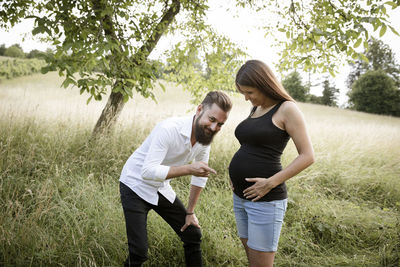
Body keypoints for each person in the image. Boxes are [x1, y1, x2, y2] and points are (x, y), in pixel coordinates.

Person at [119, 91, 232, 267]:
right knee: (139, 253)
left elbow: (200, 176)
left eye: (220, 124)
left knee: (193, 234)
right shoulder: (168, 129)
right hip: (134, 185)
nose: (213, 128)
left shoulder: (204, 140)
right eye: (211, 119)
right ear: (199, 109)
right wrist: (188, 169)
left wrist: (190, 212)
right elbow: (147, 171)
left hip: (159, 187)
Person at [228, 60, 315, 267]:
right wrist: (233, 175)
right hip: (241, 196)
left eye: (249, 92)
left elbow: (308, 156)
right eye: (243, 93)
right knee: (253, 261)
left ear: (264, 84)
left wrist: (270, 183)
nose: (246, 98)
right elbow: (251, 146)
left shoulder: (287, 109)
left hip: (266, 200)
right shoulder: (256, 108)